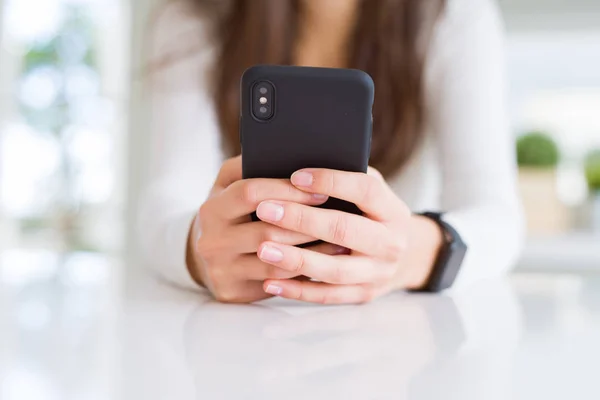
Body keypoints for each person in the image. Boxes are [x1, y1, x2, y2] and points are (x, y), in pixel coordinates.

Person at [139, 0, 524, 304]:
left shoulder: (453, 16)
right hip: (243, 329)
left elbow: (499, 218)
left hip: (386, 331)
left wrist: (410, 254)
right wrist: (200, 253)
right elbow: (162, 206)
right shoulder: (194, 18)